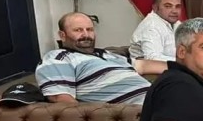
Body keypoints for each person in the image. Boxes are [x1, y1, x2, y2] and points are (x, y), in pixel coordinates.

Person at [36, 12, 167, 104]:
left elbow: (142, 66)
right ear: (62, 35)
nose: (86, 35)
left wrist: (178, 66)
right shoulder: (57, 58)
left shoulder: (107, 54)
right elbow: (62, 100)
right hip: (136, 113)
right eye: (78, 30)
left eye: (89, 29)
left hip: (162, 99)